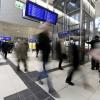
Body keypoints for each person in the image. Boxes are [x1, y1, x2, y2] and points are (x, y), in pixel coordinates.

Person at [38, 22, 59, 98]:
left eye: (49, 27)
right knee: (48, 74)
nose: (48, 28)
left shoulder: (46, 36)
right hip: (44, 58)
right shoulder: (41, 35)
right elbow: (41, 46)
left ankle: (39, 78)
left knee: (43, 71)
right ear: (44, 27)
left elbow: (48, 47)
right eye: (47, 26)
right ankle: (51, 89)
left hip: (46, 58)